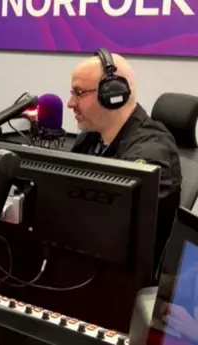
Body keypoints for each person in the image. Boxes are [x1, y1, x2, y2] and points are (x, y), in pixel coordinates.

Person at [68, 49, 182, 272]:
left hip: (123, 279)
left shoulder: (152, 151)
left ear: (112, 94)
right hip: (87, 262)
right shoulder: (91, 139)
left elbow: (112, 224)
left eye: (79, 92)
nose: (70, 103)